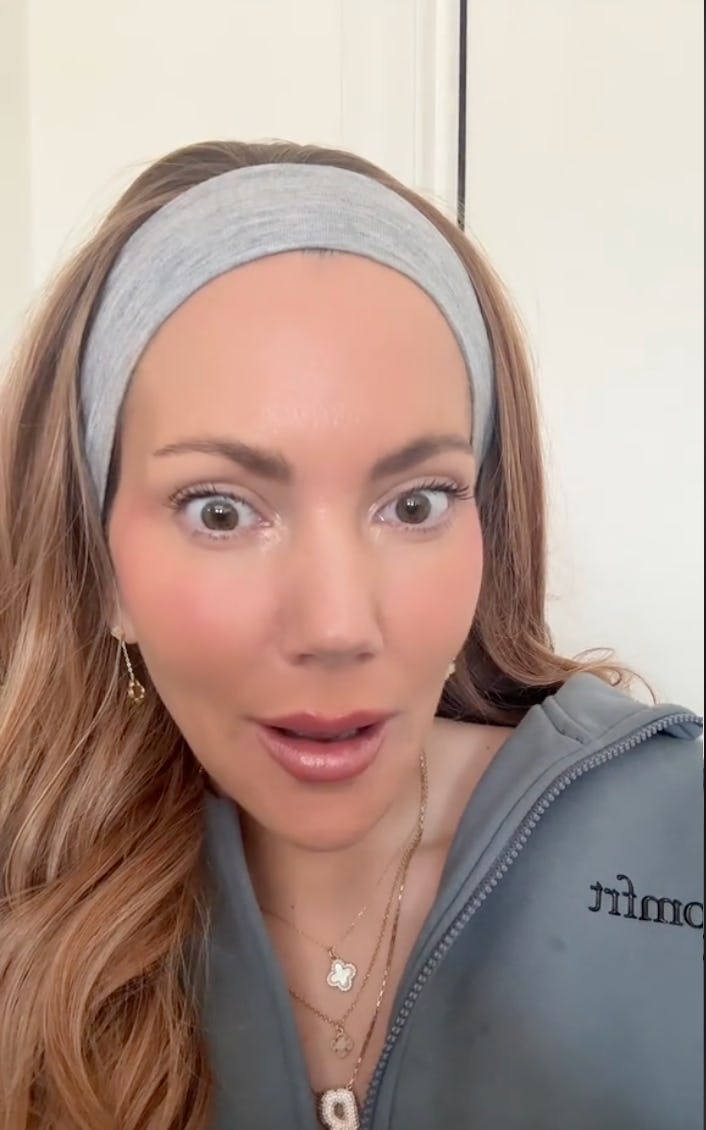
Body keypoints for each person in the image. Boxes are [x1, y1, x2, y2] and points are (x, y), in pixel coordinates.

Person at [0, 139, 702, 1130]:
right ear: (101, 568)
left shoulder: (681, 837)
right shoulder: (26, 901)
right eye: (219, 510)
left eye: (415, 502)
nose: (337, 626)